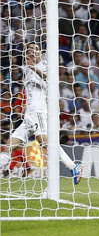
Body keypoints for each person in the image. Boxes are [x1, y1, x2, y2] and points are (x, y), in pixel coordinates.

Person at [0, 42, 83, 184]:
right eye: (30, 49)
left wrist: (35, 69)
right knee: (8, 145)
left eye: (36, 49)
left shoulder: (43, 67)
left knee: (45, 143)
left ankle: (72, 166)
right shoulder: (26, 69)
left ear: (39, 53)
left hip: (38, 112)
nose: (32, 51)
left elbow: (50, 83)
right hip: (29, 115)